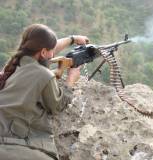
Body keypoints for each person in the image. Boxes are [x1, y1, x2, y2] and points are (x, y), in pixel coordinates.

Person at [0, 24, 89, 160]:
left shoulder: (12, 68)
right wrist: (71, 80)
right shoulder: (43, 75)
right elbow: (58, 105)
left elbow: (46, 54)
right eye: (51, 51)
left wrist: (73, 39)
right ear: (42, 52)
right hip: (20, 147)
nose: (53, 55)